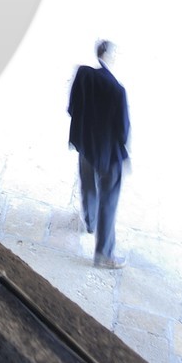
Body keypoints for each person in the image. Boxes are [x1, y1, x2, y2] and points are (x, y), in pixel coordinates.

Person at [68, 39, 130, 269]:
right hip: (108, 156)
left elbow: (71, 108)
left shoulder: (83, 75)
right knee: (109, 201)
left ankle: (90, 222)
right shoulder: (117, 91)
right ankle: (104, 254)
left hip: (85, 145)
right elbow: (123, 132)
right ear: (110, 57)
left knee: (87, 184)